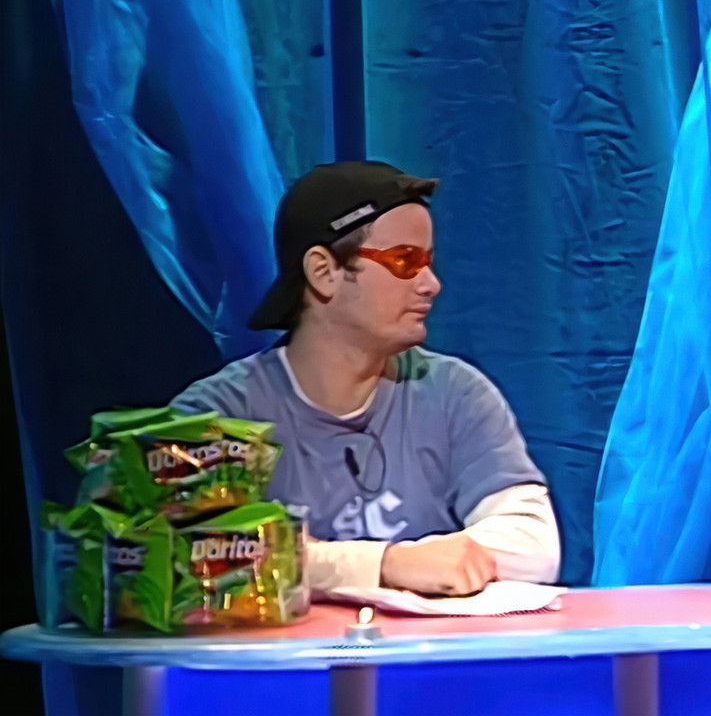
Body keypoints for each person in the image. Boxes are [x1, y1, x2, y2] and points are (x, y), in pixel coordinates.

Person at [172, 161, 559, 595]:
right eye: (405, 261)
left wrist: (313, 562)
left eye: (428, 262)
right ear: (324, 272)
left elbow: (534, 542)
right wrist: (386, 565)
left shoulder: (455, 394)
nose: (431, 284)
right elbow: (185, 554)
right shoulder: (217, 416)